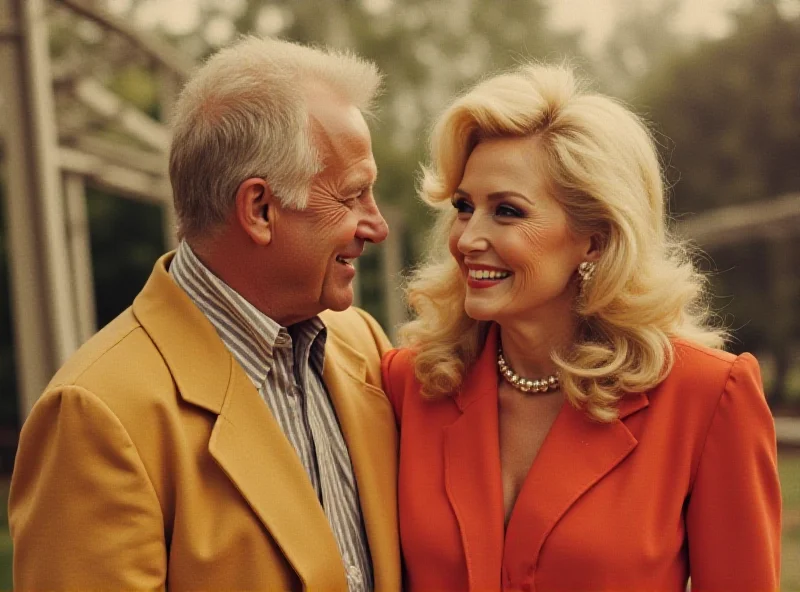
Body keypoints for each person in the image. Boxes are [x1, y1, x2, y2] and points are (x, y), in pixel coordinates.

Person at [10, 36, 400, 591]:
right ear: (260, 209)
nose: (377, 225)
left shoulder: (362, 342)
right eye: (353, 195)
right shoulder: (96, 414)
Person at [382, 63, 781, 591]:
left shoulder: (706, 397)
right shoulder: (411, 383)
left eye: (506, 211)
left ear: (594, 239)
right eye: (463, 206)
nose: (467, 238)